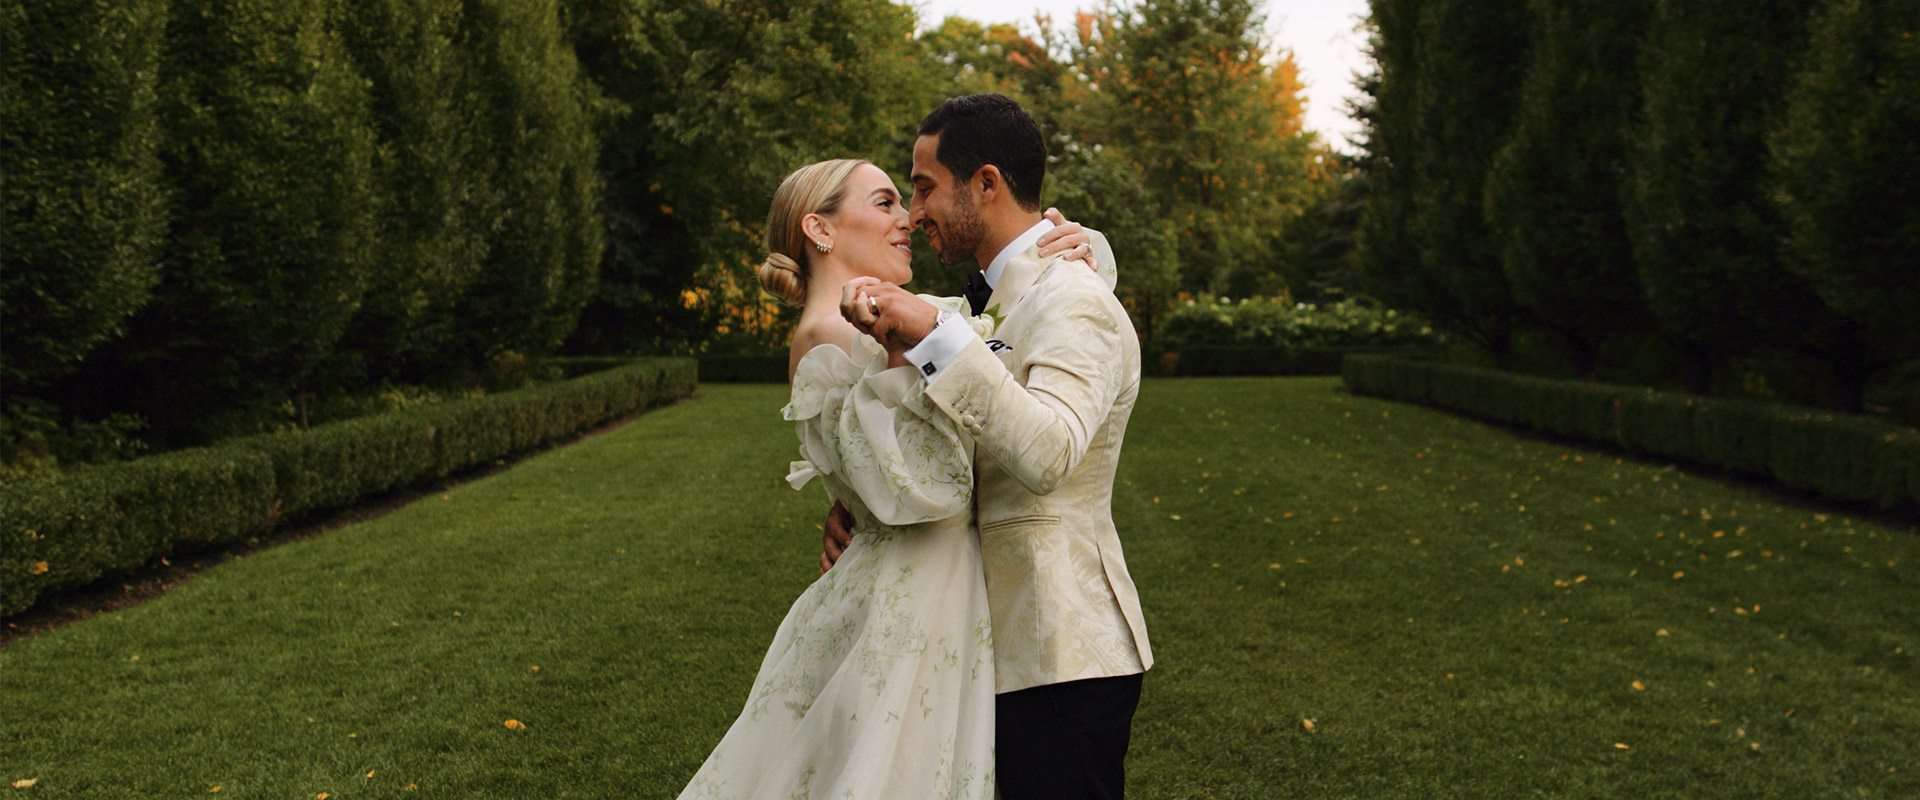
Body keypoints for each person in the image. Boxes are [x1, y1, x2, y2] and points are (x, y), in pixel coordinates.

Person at [673, 157, 1108, 799]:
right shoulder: (830, 336)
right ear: (818, 229)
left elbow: (1004, 317)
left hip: (938, 591)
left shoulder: (900, 312)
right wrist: (905, 357)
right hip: (918, 607)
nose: (907, 218)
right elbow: (929, 490)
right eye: (883, 203)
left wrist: (1086, 245)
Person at [832, 94, 1153, 800]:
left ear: (985, 183)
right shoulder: (989, 300)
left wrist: (937, 338)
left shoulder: (1074, 296)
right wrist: (861, 509)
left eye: (923, 188)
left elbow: (1047, 453)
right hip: (979, 651)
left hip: (1060, 657)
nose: (914, 214)